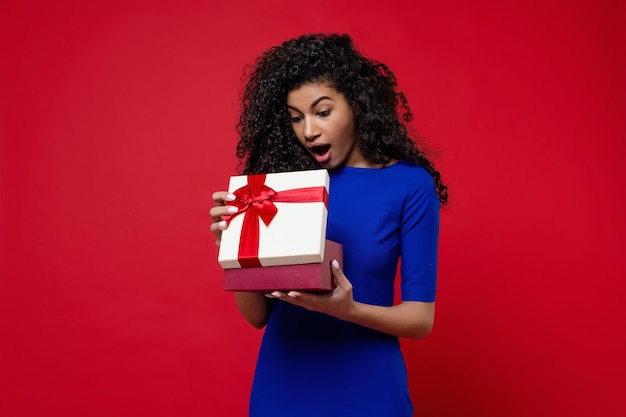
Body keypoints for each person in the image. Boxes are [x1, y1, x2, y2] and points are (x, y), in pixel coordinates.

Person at [210, 33, 447, 417]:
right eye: (295, 117)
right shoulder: (277, 189)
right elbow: (257, 318)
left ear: (356, 105)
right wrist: (233, 251)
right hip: (283, 387)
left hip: (368, 389)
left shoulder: (409, 185)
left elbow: (420, 320)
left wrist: (346, 310)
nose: (308, 131)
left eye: (322, 112)